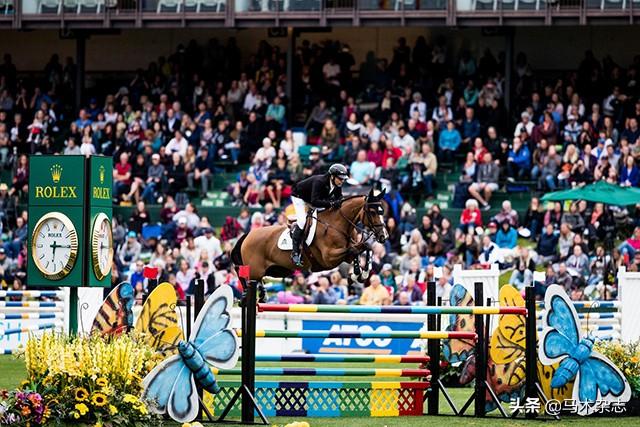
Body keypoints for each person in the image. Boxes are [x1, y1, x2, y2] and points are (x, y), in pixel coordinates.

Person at [289, 164, 349, 266]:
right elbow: (315, 201)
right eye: (340, 179)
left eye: (343, 179)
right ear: (332, 176)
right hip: (300, 197)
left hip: (314, 199)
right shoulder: (319, 182)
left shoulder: (337, 184)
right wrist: (331, 203)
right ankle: (295, 252)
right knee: (303, 222)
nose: (342, 181)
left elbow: (339, 198)